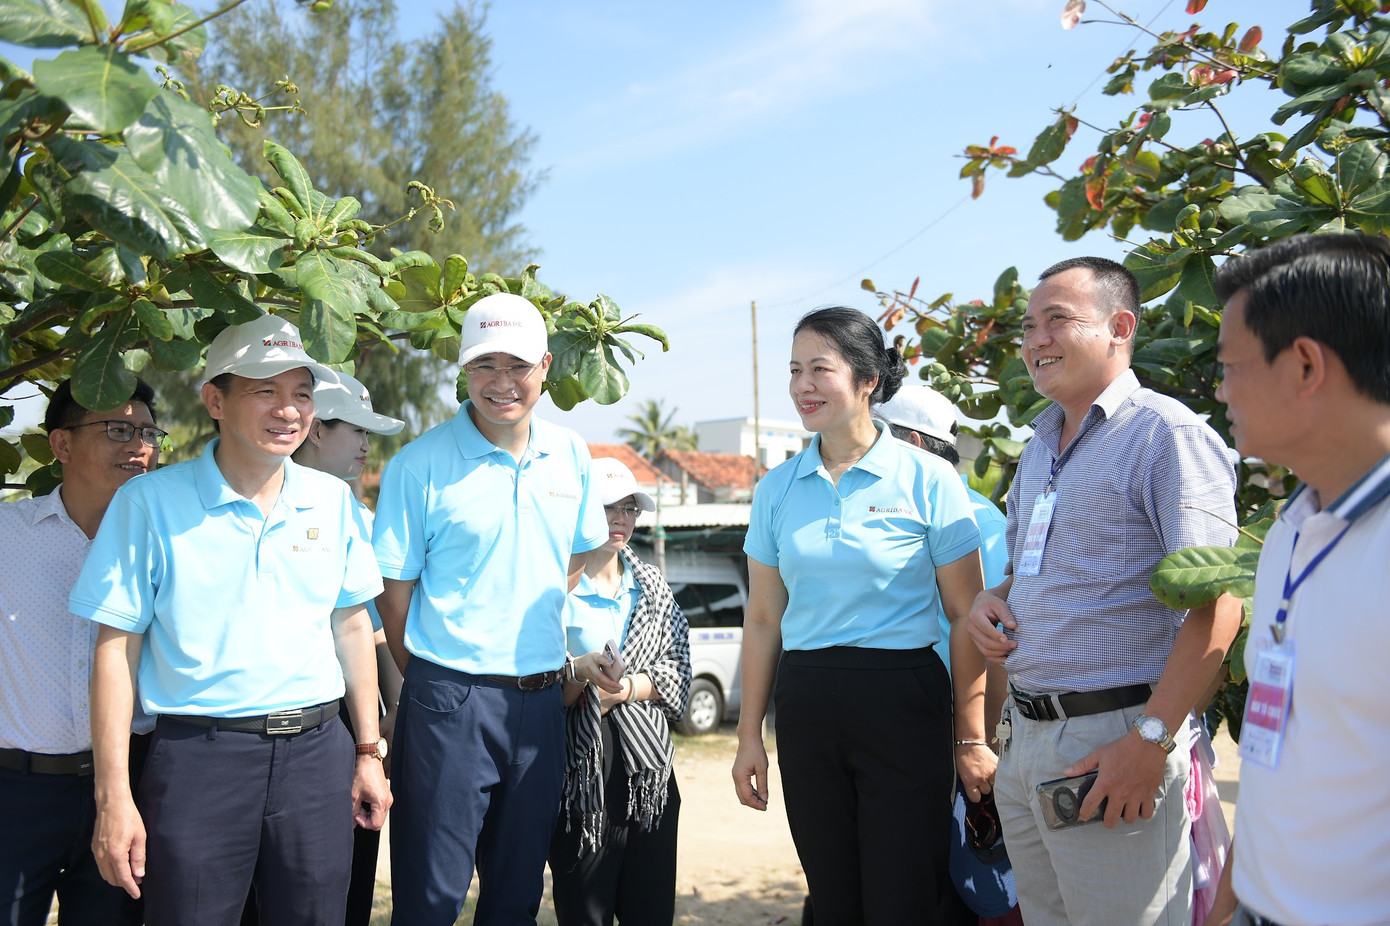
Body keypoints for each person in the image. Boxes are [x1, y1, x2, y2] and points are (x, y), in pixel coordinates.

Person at [69, 314, 391, 926]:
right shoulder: (150, 503)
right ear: (215, 399)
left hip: (319, 754)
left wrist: (368, 752)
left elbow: (351, 626)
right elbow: (115, 650)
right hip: (198, 760)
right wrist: (114, 796)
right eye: (265, 390)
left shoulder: (332, 500)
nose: (288, 410)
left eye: (302, 394)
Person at [966, 257, 1243, 926]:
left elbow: (1219, 600)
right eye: (1028, 326)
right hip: (1029, 741)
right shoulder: (1038, 446)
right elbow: (1027, 572)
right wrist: (988, 600)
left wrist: (1149, 742)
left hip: (1113, 740)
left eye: (1058, 320)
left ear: (1121, 327)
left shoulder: (1165, 435)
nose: (1035, 340)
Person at [732, 305, 992, 924]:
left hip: (903, 701)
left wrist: (971, 735)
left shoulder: (929, 479)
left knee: (903, 898)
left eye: (820, 368)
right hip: (807, 705)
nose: (802, 385)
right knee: (833, 898)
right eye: (795, 370)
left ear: (868, 380)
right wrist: (748, 737)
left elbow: (966, 616)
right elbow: (765, 619)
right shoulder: (776, 488)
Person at [372, 292, 614, 925]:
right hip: (448, 699)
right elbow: (393, 596)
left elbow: (578, 555)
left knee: (515, 896)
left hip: (540, 703)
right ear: (462, 370)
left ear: (546, 367)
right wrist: (434, 675)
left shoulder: (571, 455)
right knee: (431, 898)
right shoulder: (418, 465)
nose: (502, 384)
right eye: (485, 366)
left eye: (518, 366)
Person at [1206, 233, 1390, 926]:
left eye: (1229, 366)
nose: (1220, 390)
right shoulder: (1290, 531)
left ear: (1306, 364)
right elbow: (1280, 743)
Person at [1, 378, 161, 926]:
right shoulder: (6, 536)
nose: (138, 444)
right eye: (117, 429)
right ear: (61, 445)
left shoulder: (168, 544)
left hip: (132, 787)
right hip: (16, 791)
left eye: (146, 432)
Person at [875, 383, 1020, 926]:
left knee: (947, 879)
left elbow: (999, 643)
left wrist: (978, 740)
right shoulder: (966, 513)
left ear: (912, 440)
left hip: (955, 727)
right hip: (920, 718)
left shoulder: (970, 519)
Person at [549, 456, 692, 926]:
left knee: (650, 911)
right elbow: (542, 684)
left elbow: (677, 671)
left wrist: (627, 688)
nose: (620, 519)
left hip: (649, 768)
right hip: (582, 767)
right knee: (584, 911)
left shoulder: (651, 584)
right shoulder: (556, 588)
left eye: (630, 508)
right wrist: (582, 675)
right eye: (608, 507)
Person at [287, 368, 405, 926]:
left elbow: (367, 624)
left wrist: (390, 708)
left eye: (369, 433)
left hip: (346, 723)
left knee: (346, 885)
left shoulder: (360, 517)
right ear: (314, 430)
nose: (365, 445)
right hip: (267, 724)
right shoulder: (253, 500)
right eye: (354, 430)